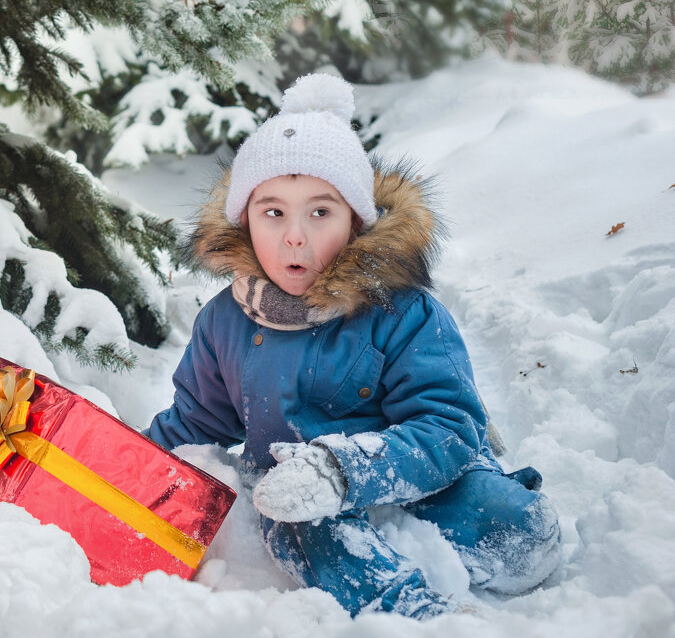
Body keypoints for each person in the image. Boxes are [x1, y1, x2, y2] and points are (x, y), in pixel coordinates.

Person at [145, 73, 561, 618]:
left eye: (320, 212)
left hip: (413, 477)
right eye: (273, 212)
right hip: (296, 491)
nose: (295, 235)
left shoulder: (403, 311)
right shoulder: (225, 320)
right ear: (244, 221)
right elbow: (193, 427)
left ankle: (488, 523)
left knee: (515, 533)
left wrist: (346, 471)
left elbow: (448, 425)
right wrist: (121, 465)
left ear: (356, 221)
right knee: (296, 520)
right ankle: (409, 615)